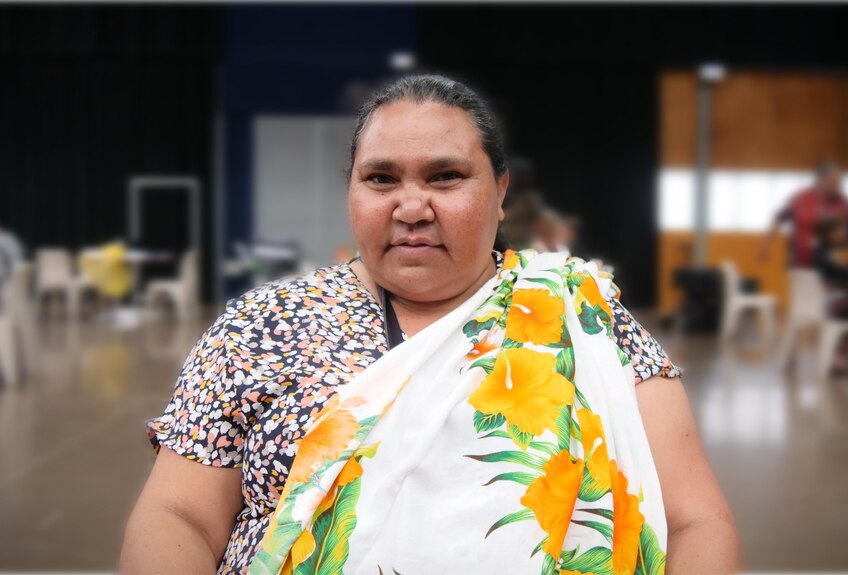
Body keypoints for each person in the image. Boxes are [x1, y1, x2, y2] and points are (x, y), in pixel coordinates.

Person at [121, 75, 740, 574]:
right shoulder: (261, 326)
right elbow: (179, 517)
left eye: (445, 177)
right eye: (381, 178)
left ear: (500, 193)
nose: (411, 207)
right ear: (352, 193)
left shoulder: (586, 318)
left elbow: (696, 523)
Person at [759, 162, 848, 266]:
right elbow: (779, 218)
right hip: (801, 259)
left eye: (839, 182)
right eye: (832, 181)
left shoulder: (845, 202)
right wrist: (766, 244)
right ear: (820, 180)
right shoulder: (801, 197)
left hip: (833, 263)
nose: (836, 185)